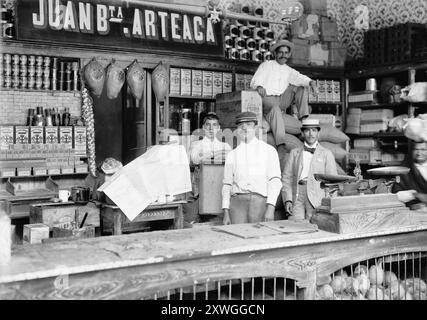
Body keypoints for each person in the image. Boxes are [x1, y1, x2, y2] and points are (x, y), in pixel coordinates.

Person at [250, 39, 318, 151]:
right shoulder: (266, 65)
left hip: (282, 100)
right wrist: (259, 87)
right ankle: (281, 145)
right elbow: (254, 81)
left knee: (300, 86)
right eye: (280, 52)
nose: (283, 55)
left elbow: (300, 77)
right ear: (275, 53)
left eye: (286, 53)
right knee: (275, 109)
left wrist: (311, 82)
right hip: (267, 100)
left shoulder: (288, 70)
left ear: (289, 54)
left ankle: (304, 118)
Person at [222, 112, 282, 224]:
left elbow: (275, 181)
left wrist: (271, 208)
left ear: (255, 127)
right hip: (237, 205)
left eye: (248, 124)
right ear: (237, 129)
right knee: (237, 238)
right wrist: (226, 213)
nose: (244, 128)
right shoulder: (232, 155)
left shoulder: (269, 151)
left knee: (260, 238)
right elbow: (227, 185)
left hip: (260, 202)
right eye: (240, 125)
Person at [282, 119, 337, 221]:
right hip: (297, 195)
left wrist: (329, 203)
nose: (311, 134)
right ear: (302, 133)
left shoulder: (326, 154)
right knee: (294, 227)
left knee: (315, 227)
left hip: (317, 195)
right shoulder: (294, 153)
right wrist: (288, 200)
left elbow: (332, 181)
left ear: (318, 133)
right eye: (307, 130)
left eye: (314, 130)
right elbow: (286, 178)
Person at [392, 141, 427, 209]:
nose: (419, 153)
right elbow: (396, 194)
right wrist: (416, 195)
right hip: (416, 211)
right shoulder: (402, 171)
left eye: (423, 149)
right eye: (416, 149)